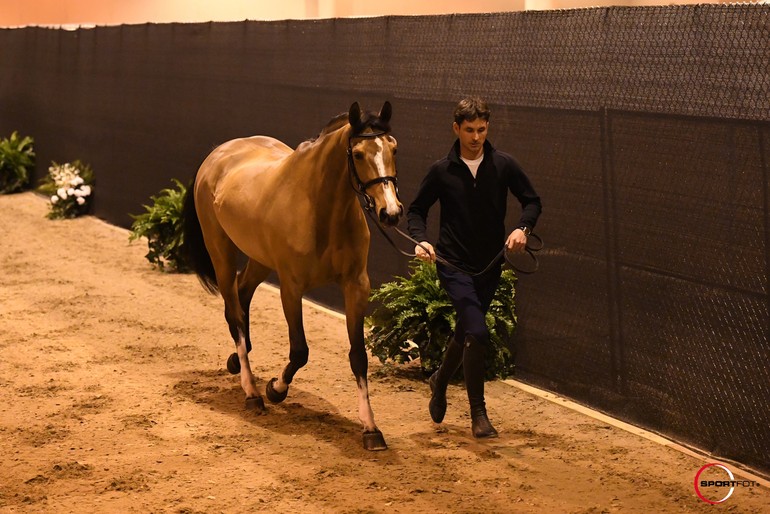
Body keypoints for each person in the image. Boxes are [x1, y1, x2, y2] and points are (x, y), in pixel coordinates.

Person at [407, 96, 542, 438]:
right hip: (453, 265)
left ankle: (439, 380)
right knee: (478, 332)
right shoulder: (441, 170)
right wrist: (421, 240)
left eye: (481, 129)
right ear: (456, 128)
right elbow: (416, 211)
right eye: (469, 130)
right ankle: (478, 414)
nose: (476, 137)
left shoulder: (504, 165)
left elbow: (532, 201)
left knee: (466, 331)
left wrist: (521, 229)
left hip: (490, 265)